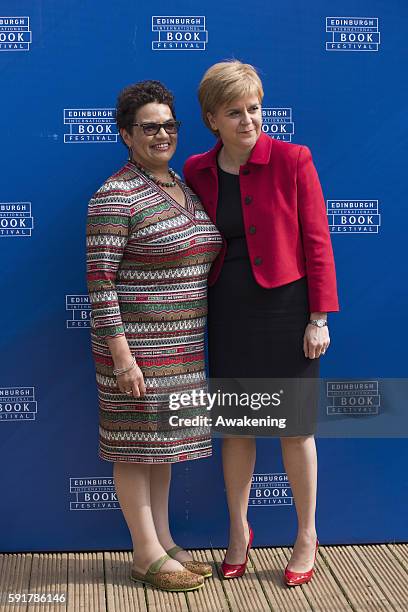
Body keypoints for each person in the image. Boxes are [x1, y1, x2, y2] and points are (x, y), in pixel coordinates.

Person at [183, 61, 339, 586]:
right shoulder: (197, 171)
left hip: (287, 311)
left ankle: (306, 535)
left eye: (254, 108)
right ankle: (237, 530)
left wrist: (318, 318)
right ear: (212, 118)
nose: (248, 120)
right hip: (227, 313)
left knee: (296, 431)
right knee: (236, 430)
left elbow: (318, 242)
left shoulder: (293, 159)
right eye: (235, 111)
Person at [86, 80, 222, 592]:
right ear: (126, 134)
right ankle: (144, 554)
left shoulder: (181, 185)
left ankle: (162, 540)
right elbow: (99, 282)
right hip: (136, 349)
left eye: (169, 125)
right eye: (149, 127)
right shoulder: (115, 194)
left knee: (161, 448)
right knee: (134, 448)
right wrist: (122, 357)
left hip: (183, 348)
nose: (162, 134)